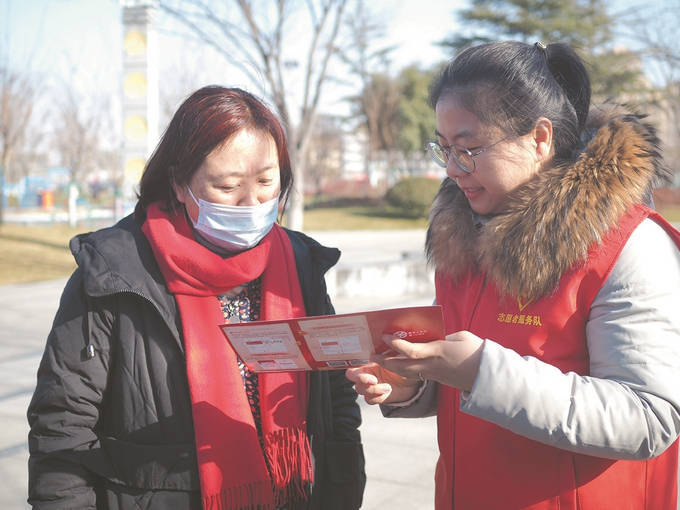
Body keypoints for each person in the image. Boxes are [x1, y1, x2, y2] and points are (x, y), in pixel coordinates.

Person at [347, 40, 680, 509]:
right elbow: (464, 378)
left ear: (540, 138)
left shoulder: (628, 245)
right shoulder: (461, 237)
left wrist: (483, 372)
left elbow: (650, 417)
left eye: (468, 149)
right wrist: (413, 386)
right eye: (442, 149)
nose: (451, 169)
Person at [27, 85, 365, 510]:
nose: (251, 202)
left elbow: (335, 403)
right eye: (227, 186)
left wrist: (341, 494)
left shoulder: (299, 263)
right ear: (179, 183)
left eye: (266, 181)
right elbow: (63, 428)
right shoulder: (113, 272)